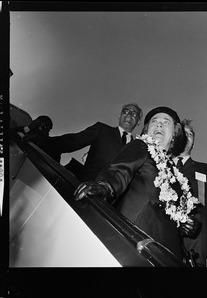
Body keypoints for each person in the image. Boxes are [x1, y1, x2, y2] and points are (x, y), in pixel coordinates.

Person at [74, 107, 199, 262]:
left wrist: (187, 225)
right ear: (147, 129)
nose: (159, 125)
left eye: (166, 123)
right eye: (154, 121)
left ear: (174, 134)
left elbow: (175, 212)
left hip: (168, 250)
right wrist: (105, 186)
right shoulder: (141, 146)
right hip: (136, 238)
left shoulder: (178, 177)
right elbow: (120, 170)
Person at [173, 119, 207, 267]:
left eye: (190, 134)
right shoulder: (160, 168)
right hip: (165, 245)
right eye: (183, 133)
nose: (187, 136)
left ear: (194, 143)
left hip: (197, 251)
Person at [45, 103, 143, 181]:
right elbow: (72, 141)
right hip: (85, 186)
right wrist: (43, 141)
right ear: (119, 115)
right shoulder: (101, 129)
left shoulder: (137, 148)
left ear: (138, 121)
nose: (129, 115)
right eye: (125, 111)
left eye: (134, 113)